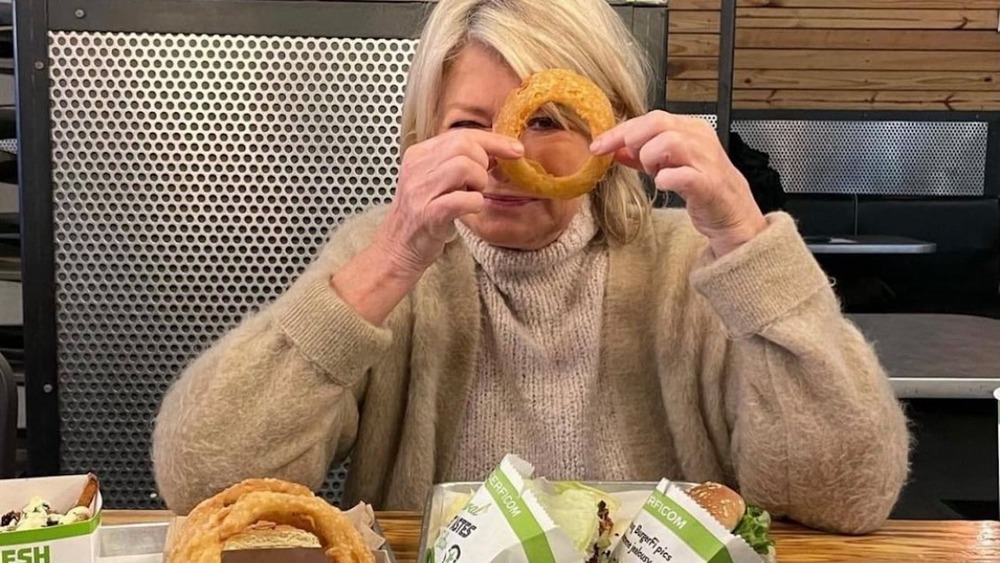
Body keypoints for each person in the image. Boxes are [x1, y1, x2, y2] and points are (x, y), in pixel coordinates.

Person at [151, 0, 909, 534]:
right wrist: (388, 260)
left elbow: (846, 493)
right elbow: (203, 478)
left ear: (610, 130)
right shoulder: (385, 264)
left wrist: (747, 241)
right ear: (423, 137)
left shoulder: (692, 266)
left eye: (547, 122)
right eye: (467, 126)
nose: (508, 156)